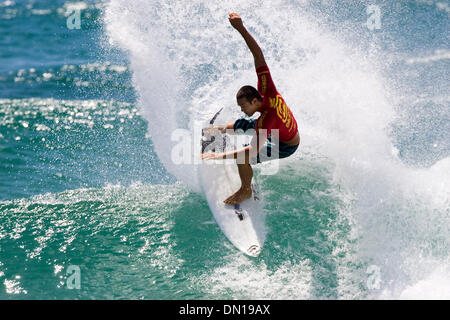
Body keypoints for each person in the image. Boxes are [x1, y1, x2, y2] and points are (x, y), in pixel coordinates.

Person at [201, 12, 300, 205]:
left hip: (286, 145)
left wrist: (218, 156)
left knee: (242, 158)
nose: (242, 108)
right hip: (278, 128)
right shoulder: (266, 88)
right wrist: (240, 27)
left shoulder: (266, 119)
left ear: (255, 101)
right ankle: (221, 129)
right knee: (244, 123)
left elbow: (252, 151)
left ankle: (245, 190)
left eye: (244, 105)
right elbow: (258, 54)